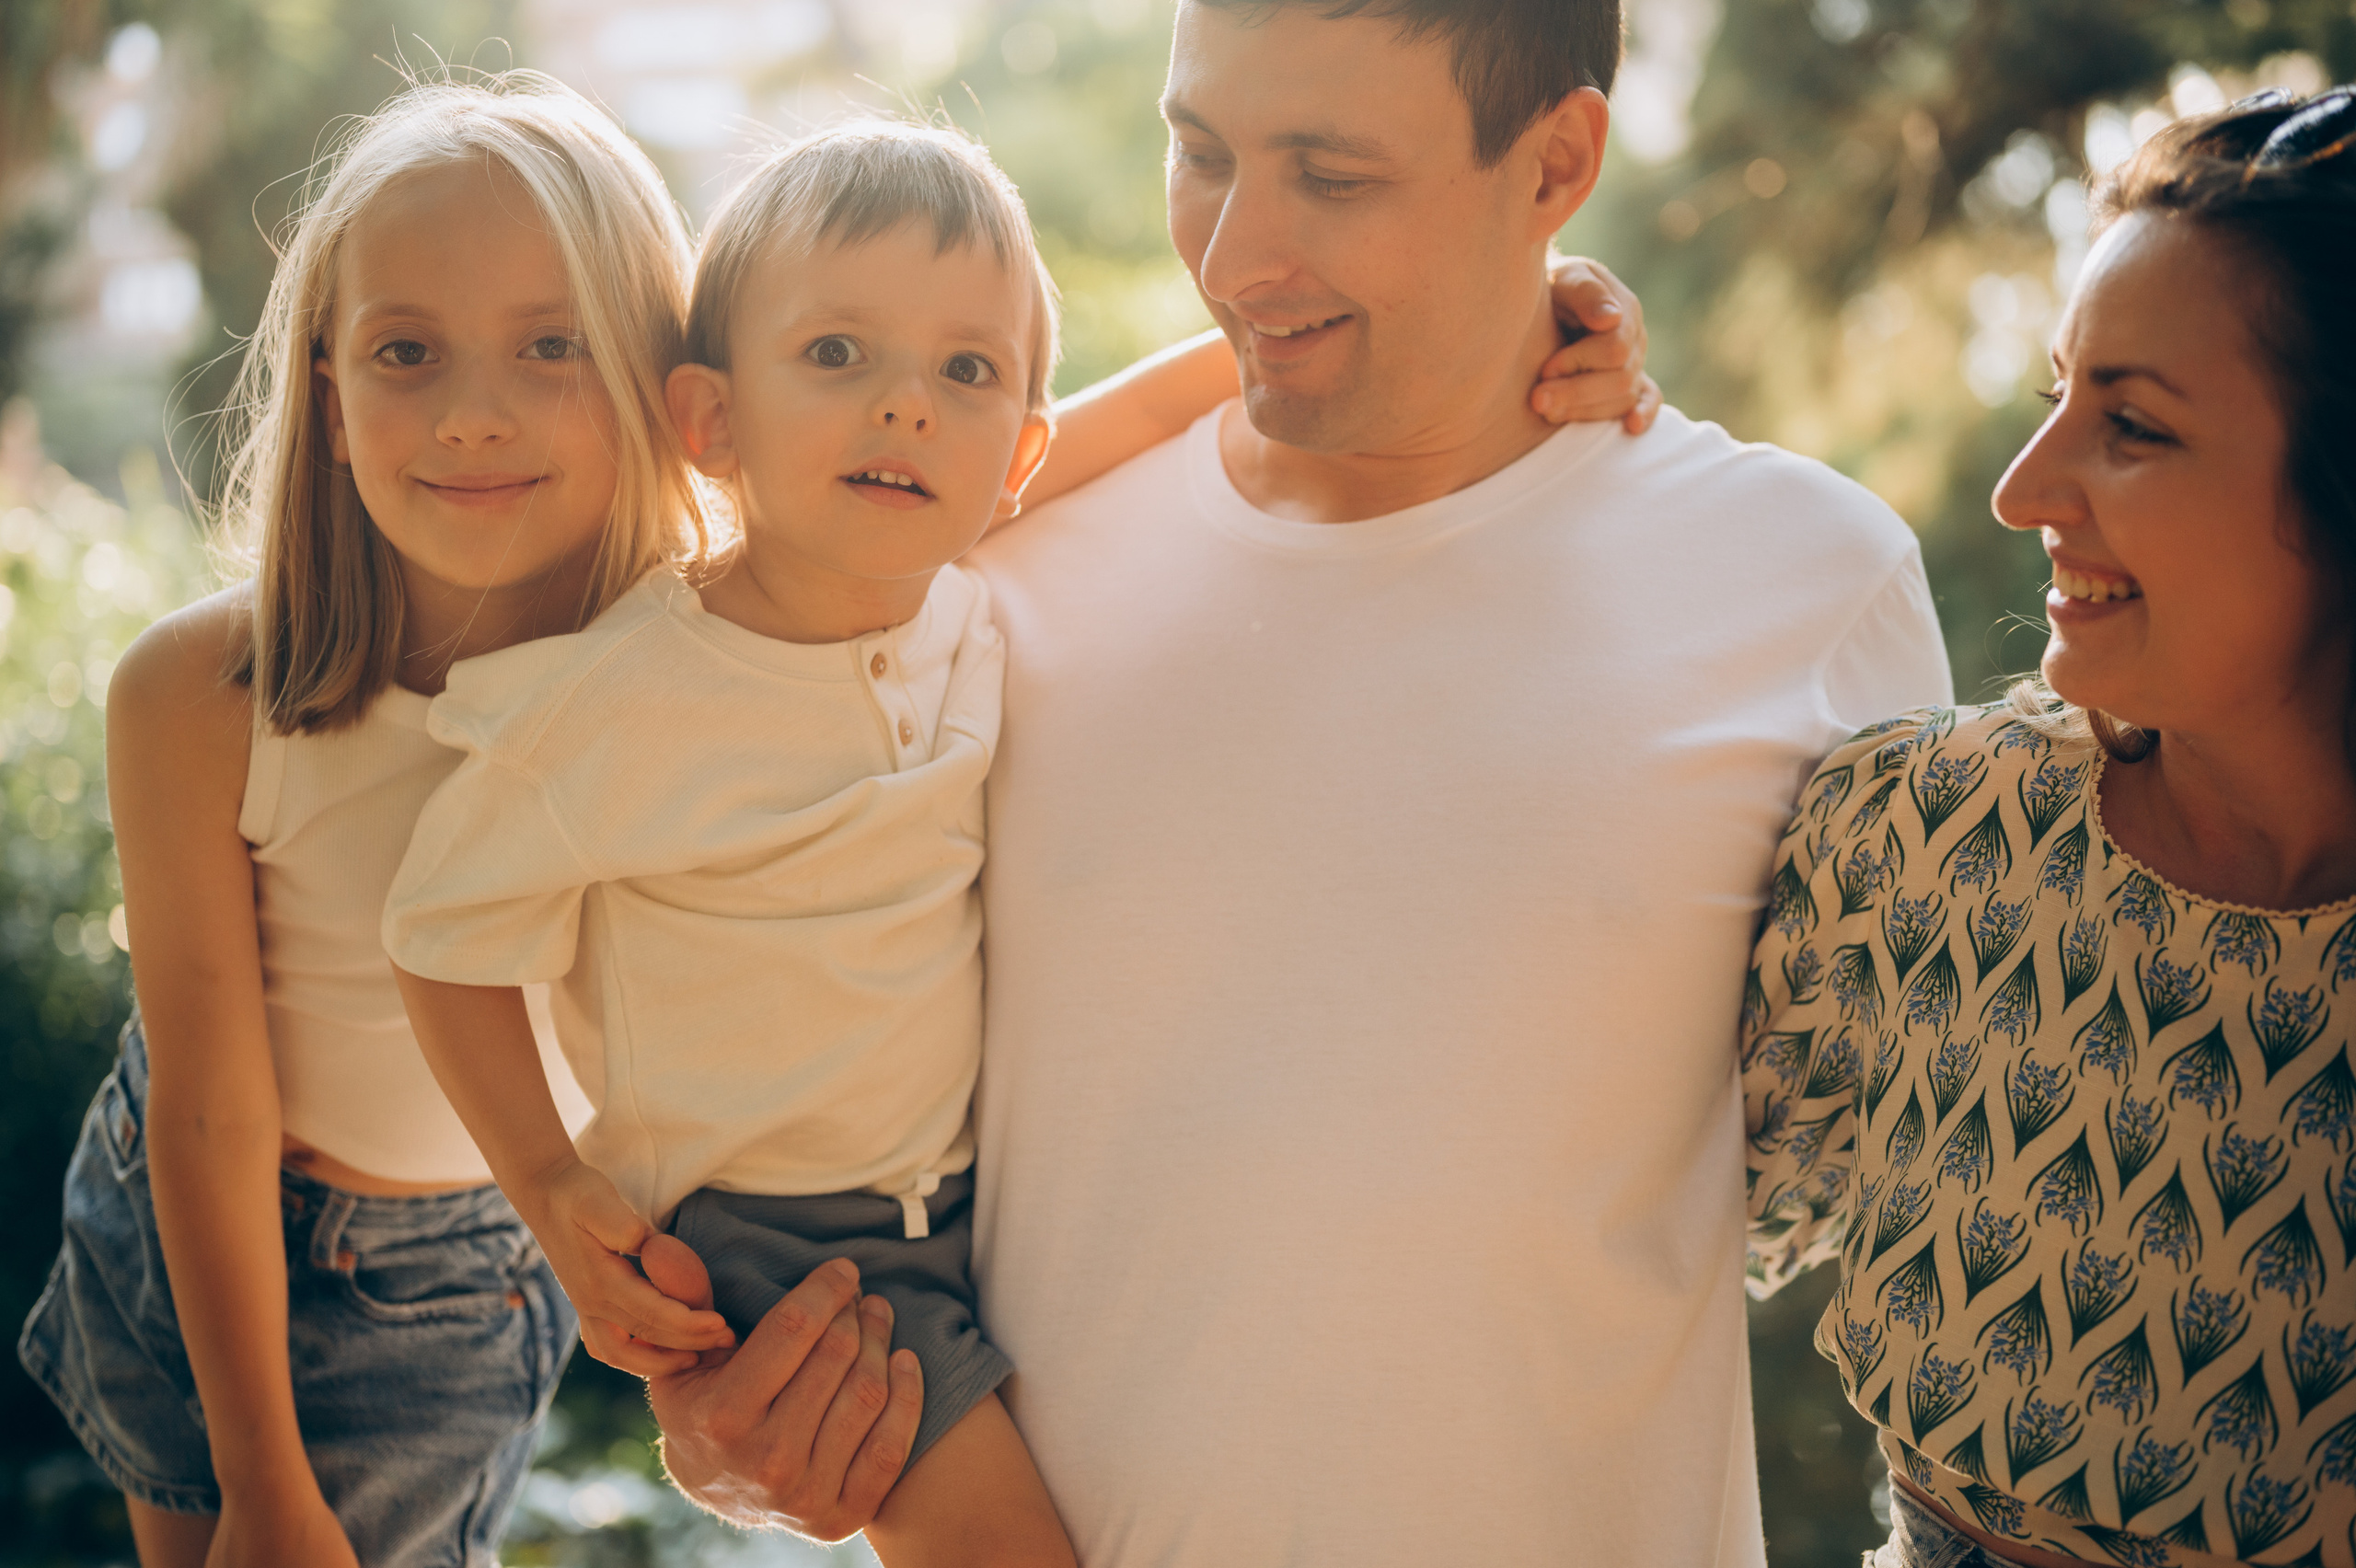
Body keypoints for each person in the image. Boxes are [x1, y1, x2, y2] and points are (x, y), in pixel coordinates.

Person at [18, 70, 1649, 1565]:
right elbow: (211, 1114)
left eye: (549, 345)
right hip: (202, 1212)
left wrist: (1504, 308)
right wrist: (268, 1479)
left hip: (464, 1252)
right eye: (404, 351)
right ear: (324, 367)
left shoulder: (754, 601)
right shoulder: (210, 693)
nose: (471, 415)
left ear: (670, 401)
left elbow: (1067, 440)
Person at [653, 3, 1954, 1562]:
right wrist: (722, 1385)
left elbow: (1909, 1230)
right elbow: (717, 1008)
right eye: (1198, 152)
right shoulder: (968, 578)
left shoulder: (1807, 582)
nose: (1234, 254)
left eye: (1332, 177)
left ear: (1558, 163)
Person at [1743, 89, 2356, 1568]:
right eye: (2056, 401)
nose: (2027, 492)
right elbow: (1616, 1215)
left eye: (2134, 427)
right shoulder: (1926, 836)